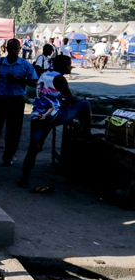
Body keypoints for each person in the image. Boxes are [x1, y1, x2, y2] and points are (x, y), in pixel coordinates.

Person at [17, 55, 95, 188]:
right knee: (85, 104)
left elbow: (45, 93)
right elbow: (71, 99)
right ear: (63, 66)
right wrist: (82, 97)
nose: (71, 67)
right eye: (69, 65)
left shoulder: (45, 74)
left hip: (38, 116)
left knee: (33, 149)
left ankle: (23, 179)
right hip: (53, 116)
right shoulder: (60, 79)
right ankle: (87, 135)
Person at [0, 39, 38, 169]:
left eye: (16, 49)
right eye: (11, 48)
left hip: (16, 101)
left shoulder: (25, 65)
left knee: (14, 132)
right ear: (6, 49)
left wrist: (19, 79)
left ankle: (8, 157)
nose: (13, 51)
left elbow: (35, 82)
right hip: (0, 100)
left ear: (20, 49)